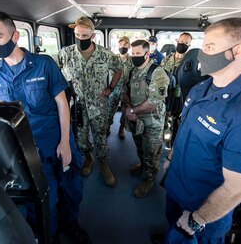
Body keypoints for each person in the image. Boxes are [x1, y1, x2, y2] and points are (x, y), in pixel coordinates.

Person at [162, 18, 241, 243]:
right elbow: (186, 129)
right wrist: (171, 156)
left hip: (203, 209)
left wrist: (197, 219)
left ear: (237, 51)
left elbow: (237, 189)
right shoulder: (201, 88)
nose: (200, 55)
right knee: (171, 231)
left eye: (209, 48)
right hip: (178, 187)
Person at [0, 11, 90, 244]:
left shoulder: (43, 64)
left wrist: (65, 142)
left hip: (56, 140)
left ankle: (71, 225)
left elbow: (62, 103)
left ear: (15, 36)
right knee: (41, 200)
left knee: (71, 191)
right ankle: (47, 235)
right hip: (26, 151)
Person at [58, 16, 122, 187]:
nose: (80, 39)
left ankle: (104, 164)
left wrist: (110, 88)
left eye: (85, 36)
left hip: (99, 104)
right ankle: (88, 159)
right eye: (77, 35)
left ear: (93, 36)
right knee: (81, 138)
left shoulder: (105, 54)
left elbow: (118, 69)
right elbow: (57, 74)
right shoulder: (65, 53)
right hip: (77, 105)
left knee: (101, 136)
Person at [123, 39, 169, 198]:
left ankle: (149, 179)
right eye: (132, 53)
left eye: (138, 54)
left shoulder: (157, 73)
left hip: (152, 122)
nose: (134, 56)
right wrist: (129, 108)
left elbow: (153, 103)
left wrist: (133, 110)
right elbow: (125, 91)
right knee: (140, 147)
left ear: (147, 54)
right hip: (135, 120)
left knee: (151, 152)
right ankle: (143, 166)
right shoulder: (132, 71)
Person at [160, 32, 193, 146]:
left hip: (181, 96)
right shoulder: (166, 60)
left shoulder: (190, 62)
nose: (182, 44)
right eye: (181, 41)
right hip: (166, 94)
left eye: (186, 43)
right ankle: (161, 139)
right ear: (177, 41)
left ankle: (175, 143)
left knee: (178, 122)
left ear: (189, 45)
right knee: (163, 118)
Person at [107, 36, 134, 139]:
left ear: (129, 46)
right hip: (113, 89)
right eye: (121, 44)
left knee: (124, 112)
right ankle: (108, 127)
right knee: (110, 110)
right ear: (118, 45)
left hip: (126, 91)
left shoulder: (132, 61)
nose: (123, 46)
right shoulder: (112, 59)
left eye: (125, 44)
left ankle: (121, 128)